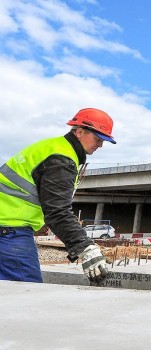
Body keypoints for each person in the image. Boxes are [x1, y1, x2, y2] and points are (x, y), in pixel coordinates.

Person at [0, 108, 116, 284]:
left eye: (103, 141)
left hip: (7, 228)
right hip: (9, 231)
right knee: (25, 295)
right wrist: (85, 247)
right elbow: (57, 211)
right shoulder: (61, 159)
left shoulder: (52, 148)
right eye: (98, 139)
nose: (100, 145)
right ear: (79, 132)